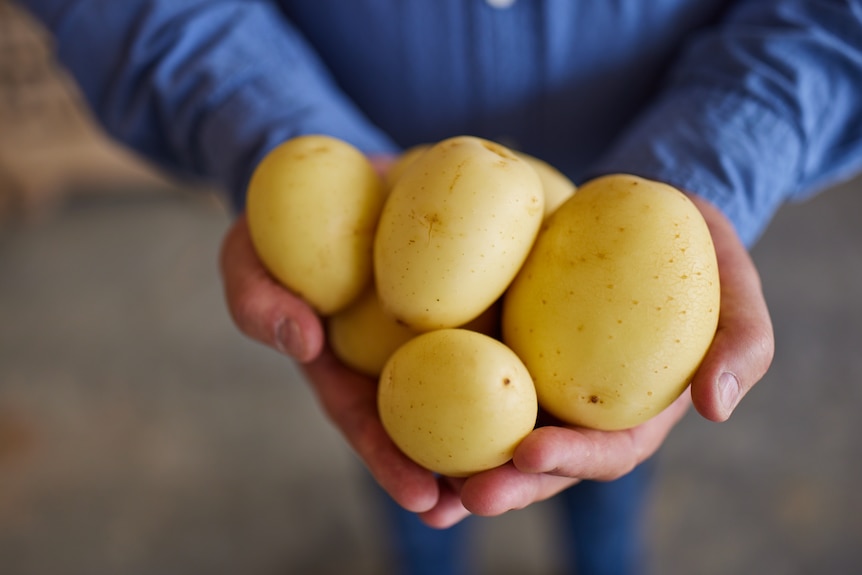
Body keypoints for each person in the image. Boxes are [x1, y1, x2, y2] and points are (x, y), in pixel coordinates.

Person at [16, 1, 862, 573]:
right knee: (416, 463)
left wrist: (717, 157)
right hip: (379, 214)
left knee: (599, 455)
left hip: (630, 196)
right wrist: (268, 125)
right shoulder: (388, 285)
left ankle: (603, 554)